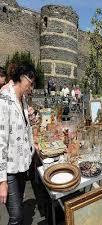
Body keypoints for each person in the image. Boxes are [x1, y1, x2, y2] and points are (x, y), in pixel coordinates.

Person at [0, 64, 36, 225]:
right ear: (22, 77)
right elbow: (1, 142)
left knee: (19, 210)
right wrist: (2, 182)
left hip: (22, 164)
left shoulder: (22, 99)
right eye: (31, 82)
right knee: (15, 216)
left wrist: (31, 120)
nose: (31, 87)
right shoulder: (4, 100)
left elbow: (23, 129)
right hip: (9, 170)